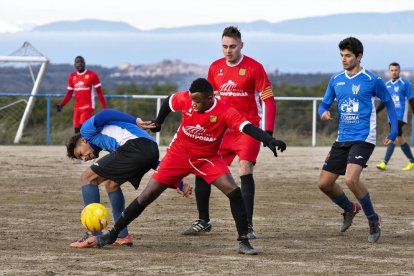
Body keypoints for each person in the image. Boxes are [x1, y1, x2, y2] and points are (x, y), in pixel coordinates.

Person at [94, 78, 286, 255]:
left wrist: (269, 139)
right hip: (178, 155)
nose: (193, 104)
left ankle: (244, 241)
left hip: (207, 158)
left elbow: (248, 127)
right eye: (192, 100)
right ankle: (113, 234)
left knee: (234, 192)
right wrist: (159, 122)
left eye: (198, 101)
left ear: (210, 99)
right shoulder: (188, 99)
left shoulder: (225, 111)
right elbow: (170, 101)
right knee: (147, 195)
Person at [183, 26, 277, 239]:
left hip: (248, 129)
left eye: (232, 46)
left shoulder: (255, 67)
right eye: (225, 46)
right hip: (222, 130)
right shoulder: (215, 68)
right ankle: (203, 220)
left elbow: (268, 100)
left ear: (241, 46)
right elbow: (208, 102)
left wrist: (268, 132)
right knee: (203, 168)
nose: (228, 50)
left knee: (245, 169)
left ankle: (248, 226)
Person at [317, 37, 398, 243]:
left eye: (348, 56)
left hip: (364, 137)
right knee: (324, 184)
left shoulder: (372, 80)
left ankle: (373, 219)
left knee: (351, 179)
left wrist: (393, 130)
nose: (344, 59)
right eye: (342, 56)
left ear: (359, 56)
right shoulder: (336, 80)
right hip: (342, 138)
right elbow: (323, 105)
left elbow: (388, 102)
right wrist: (323, 112)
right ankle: (350, 208)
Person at [66, 109, 160, 248]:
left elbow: (106, 114)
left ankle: (93, 234)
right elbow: (152, 161)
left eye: (80, 154)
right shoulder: (110, 143)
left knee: (87, 177)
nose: (84, 159)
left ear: (82, 140)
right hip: (150, 149)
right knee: (111, 184)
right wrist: (179, 183)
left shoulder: (86, 131)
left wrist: (135, 120)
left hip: (136, 146)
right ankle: (122, 236)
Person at [376, 62, 414, 171]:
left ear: (399, 71)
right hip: (391, 117)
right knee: (400, 138)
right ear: (389, 72)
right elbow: (384, 102)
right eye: (392, 70)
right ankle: (412, 161)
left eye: (396, 70)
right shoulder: (387, 85)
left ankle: (384, 162)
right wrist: (375, 112)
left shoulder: (405, 83)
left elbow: (411, 100)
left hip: (401, 115)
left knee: (393, 136)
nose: (394, 72)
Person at [56, 56, 107, 134]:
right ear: (74, 64)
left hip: (88, 106)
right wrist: (61, 104)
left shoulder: (92, 75)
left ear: (84, 63)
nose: (79, 64)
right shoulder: (72, 77)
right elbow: (69, 94)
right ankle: (87, 143)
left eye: (81, 62)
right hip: (77, 107)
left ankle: (89, 144)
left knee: (82, 127)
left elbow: (99, 93)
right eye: (77, 62)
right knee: (76, 129)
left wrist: (104, 108)